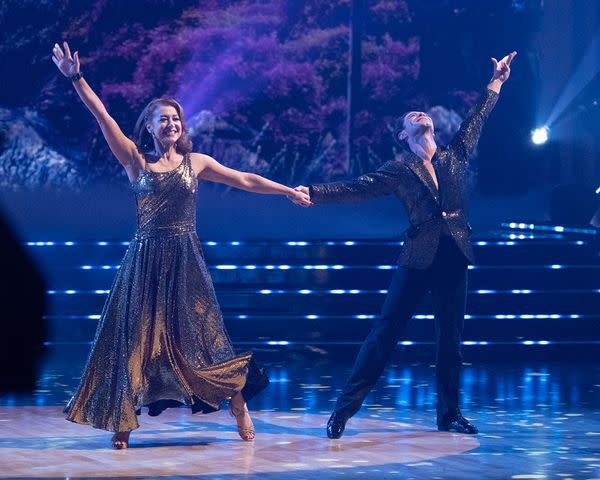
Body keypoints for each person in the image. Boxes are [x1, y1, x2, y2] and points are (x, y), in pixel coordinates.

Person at [51, 41, 311, 449]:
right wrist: (76, 77)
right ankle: (123, 418)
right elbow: (102, 115)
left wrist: (286, 191)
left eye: (176, 118)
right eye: (163, 119)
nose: (172, 124)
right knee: (134, 341)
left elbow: (244, 179)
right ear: (150, 128)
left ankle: (238, 402)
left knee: (206, 340)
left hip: (186, 261)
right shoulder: (136, 161)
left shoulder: (198, 163)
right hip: (145, 262)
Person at [294, 52, 517, 439]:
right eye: (409, 118)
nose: (418, 115)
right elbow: (356, 188)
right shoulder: (400, 169)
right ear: (403, 135)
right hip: (418, 257)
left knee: (450, 341)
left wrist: (496, 82)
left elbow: (477, 117)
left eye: (422, 114)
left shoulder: (454, 155)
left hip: (454, 255)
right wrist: (313, 191)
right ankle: (343, 411)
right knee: (384, 334)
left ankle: (449, 414)